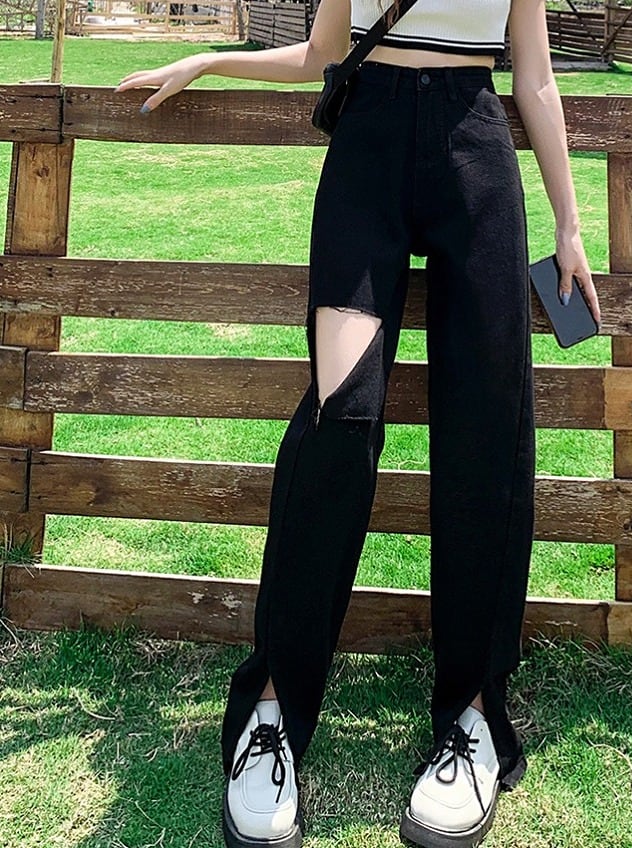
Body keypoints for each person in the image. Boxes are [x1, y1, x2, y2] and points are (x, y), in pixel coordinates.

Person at [116, 1, 601, 845]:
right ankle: (272, 710)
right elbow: (322, 53)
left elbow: (534, 77)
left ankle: (473, 712)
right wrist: (206, 60)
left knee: (486, 431)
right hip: (367, 154)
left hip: (475, 151)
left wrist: (567, 225)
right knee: (339, 421)